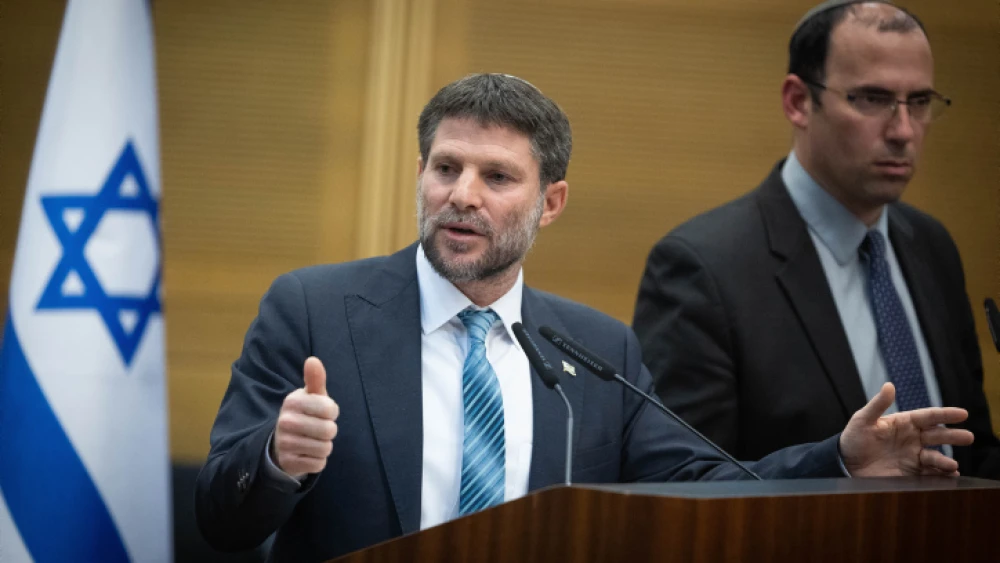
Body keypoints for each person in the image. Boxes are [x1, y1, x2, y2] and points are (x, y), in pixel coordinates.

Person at [196, 73, 973, 563]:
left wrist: (835, 456)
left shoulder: (598, 349)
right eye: (446, 167)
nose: (462, 194)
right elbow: (220, 520)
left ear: (550, 203)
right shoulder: (313, 308)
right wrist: (275, 458)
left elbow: (700, 487)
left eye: (497, 175)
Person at [633, 1, 999, 478]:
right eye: (872, 98)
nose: (903, 131)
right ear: (798, 102)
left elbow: (971, 454)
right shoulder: (703, 268)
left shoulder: (932, 246)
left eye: (920, 102)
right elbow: (678, 479)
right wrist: (838, 466)